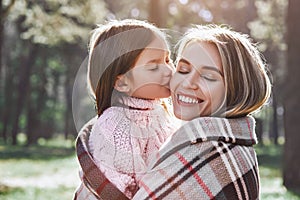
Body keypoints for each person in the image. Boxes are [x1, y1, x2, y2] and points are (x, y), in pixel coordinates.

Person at [133, 24, 271, 199]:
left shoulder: (213, 154)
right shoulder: (218, 143)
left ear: (235, 90)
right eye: (183, 69)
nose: (188, 83)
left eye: (208, 77)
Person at [74, 19, 179, 199]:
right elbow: (116, 191)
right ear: (121, 82)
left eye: (168, 59)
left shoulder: (162, 112)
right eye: (154, 66)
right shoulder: (116, 125)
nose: (169, 70)